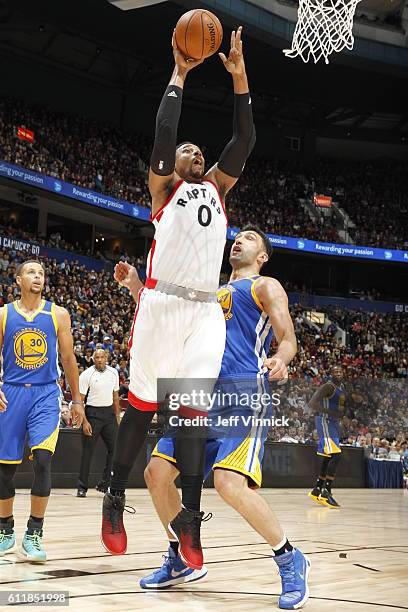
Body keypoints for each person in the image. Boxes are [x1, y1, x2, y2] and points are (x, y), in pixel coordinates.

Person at [101, 25, 256, 569]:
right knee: (142, 411)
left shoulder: (216, 187)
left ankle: (190, 516)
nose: (190, 150)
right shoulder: (164, 190)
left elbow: (245, 141)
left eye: (197, 148)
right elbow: (165, 131)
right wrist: (180, 73)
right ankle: (114, 496)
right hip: (160, 303)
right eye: (185, 149)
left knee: (189, 414)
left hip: (203, 310)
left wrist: (238, 78)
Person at [140, 227, 311, 610]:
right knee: (155, 474)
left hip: (242, 394)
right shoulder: (206, 293)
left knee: (229, 483)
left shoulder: (264, 286)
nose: (239, 240)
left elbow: (288, 337)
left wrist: (281, 359)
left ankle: (289, 558)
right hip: (197, 393)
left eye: (250, 238)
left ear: (262, 255)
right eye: (237, 236)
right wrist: (136, 284)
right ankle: (180, 558)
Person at [0, 260, 84, 562]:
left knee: (44, 461)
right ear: (19, 280)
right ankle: (5, 529)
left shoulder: (58, 314)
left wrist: (77, 400)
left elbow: (68, 358)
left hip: (46, 395)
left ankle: (34, 532)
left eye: (42, 273)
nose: (38, 276)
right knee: (4, 470)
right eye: (32, 272)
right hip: (10, 394)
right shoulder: (4, 315)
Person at [77, 349, 120, 497]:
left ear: (106, 358)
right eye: (97, 357)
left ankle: (104, 483)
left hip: (109, 415)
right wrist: (84, 422)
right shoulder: (86, 375)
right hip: (92, 414)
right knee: (87, 452)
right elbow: (80, 401)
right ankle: (82, 487)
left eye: (102, 357)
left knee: (115, 449)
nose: (100, 360)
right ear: (93, 359)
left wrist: (117, 418)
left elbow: (115, 397)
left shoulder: (114, 372)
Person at [308, 365, 346, 508]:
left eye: (340, 371)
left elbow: (340, 408)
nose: (338, 373)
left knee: (329, 456)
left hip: (334, 424)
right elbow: (312, 403)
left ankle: (317, 489)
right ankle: (326, 491)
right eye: (335, 371)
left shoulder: (342, 388)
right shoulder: (328, 387)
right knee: (337, 455)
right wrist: (330, 413)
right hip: (325, 421)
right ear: (331, 374)